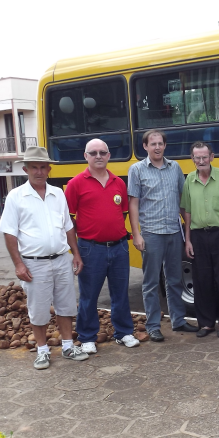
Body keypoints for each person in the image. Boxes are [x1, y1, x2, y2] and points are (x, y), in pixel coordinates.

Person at [0, 147, 88, 370]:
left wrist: (75, 254)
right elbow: (9, 233)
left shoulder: (58, 194)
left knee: (66, 306)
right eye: (34, 167)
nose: (39, 171)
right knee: (38, 309)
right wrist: (18, 264)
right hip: (34, 263)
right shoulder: (16, 196)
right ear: (25, 169)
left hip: (61, 259)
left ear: (49, 169)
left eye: (42, 167)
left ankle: (68, 346)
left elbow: (68, 227)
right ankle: (42, 351)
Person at [65, 139, 139, 354]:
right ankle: (87, 337)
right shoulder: (76, 184)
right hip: (90, 249)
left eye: (102, 152)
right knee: (89, 295)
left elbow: (122, 213)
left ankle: (123, 332)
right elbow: (67, 220)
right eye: (93, 153)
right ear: (85, 156)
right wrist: (76, 251)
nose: (98, 156)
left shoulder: (118, 183)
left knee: (120, 293)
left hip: (119, 247)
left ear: (108, 156)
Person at [128, 129, 198, 341]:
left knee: (174, 279)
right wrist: (136, 234)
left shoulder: (174, 167)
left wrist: (187, 232)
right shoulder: (137, 170)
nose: (157, 147)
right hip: (151, 233)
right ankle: (153, 326)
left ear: (165, 145)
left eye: (160, 143)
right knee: (150, 283)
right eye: (153, 144)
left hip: (174, 232)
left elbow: (183, 201)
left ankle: (178, 320)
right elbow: (133, 203)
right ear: (145, 146)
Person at [180, 142, 219, 338]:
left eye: (205, 157)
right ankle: (206, 323)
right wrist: (188, 240)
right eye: (197, 157)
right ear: (192, 159)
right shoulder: (189, 180)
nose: (201, 161)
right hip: (198, 235)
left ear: (212, 157)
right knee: (202, 280)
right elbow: (187, 212)